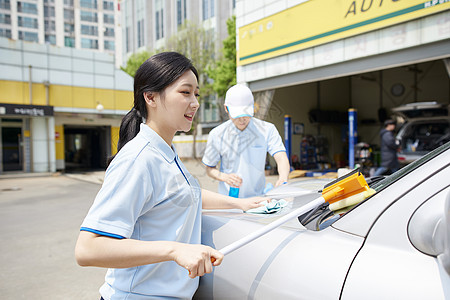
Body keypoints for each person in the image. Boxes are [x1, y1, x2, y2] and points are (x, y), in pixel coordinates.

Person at [74, 52, 267, 300]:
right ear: (150, 96)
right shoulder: (138, 159)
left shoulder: (166, 151)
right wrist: (175, 250)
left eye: (196, 94)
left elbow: (185, 195)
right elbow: (88, 249)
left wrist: (240, 204)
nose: (195, 103)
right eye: (185, 92)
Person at [202, 84, 290, 198]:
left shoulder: (267, 129)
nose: (242, 119)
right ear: (226, 108)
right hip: (229, 201)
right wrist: (225, 177)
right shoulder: (217, 134)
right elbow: (209, 169)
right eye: (237, 115)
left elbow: (280, 155)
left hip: (257, 199)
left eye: (245, 114)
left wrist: (283, 178)